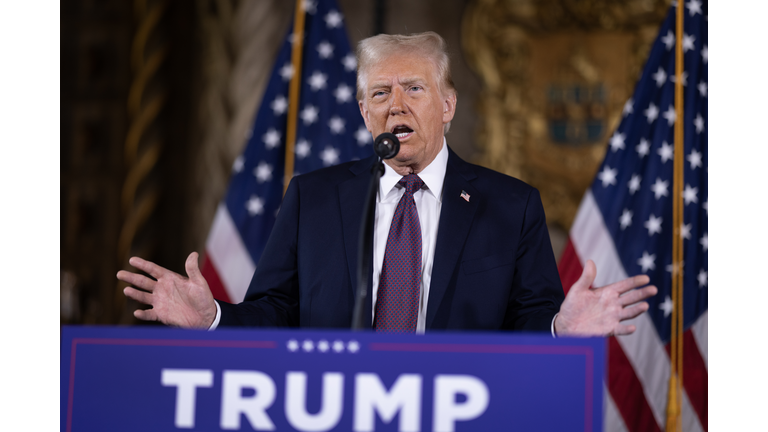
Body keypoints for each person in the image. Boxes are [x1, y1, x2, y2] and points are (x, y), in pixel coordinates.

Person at [118, 32, 656, 336]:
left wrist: (563, 327)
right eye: (379, 94)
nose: (394, 104)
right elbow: (273, 312)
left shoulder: (511, 205)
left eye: (413, 88)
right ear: (362, 111)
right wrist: (213, 317)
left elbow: (528, 322)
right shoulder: (314, 197)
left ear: (447, 106)